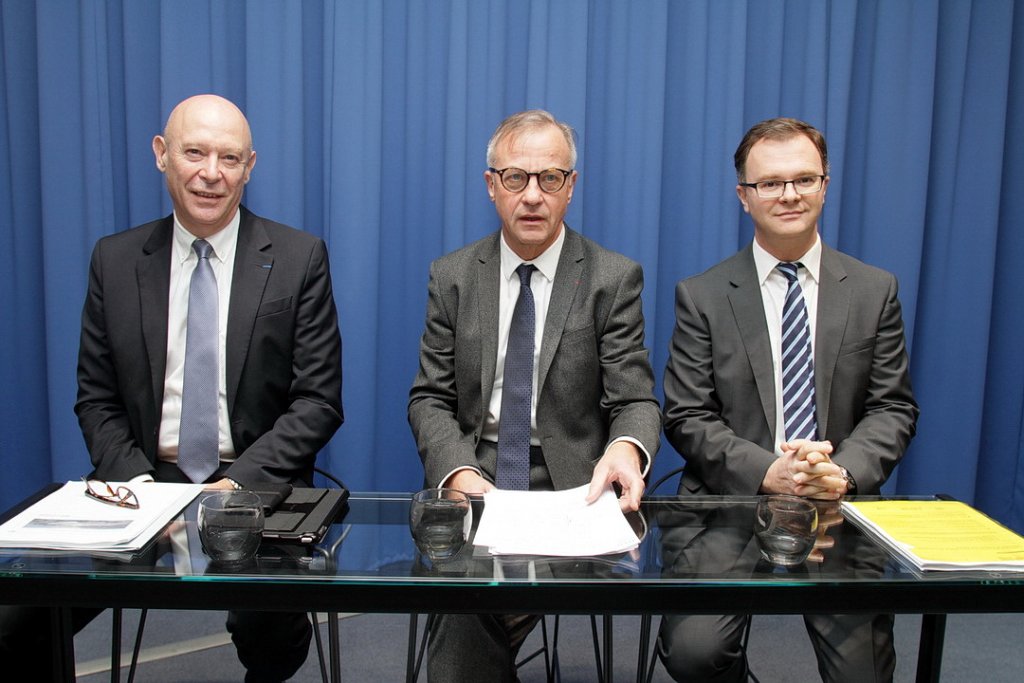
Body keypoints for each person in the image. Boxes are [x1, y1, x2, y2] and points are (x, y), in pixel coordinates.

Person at [0, 94, 343, 682]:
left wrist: (236, 487)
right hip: (139, 485)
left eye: (229, 158)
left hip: (252, 483)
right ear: (162, 155)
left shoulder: (297, 257)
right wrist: (137, 487)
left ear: (250, 166)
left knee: (272, 633)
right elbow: (97, 397)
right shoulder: (115, 259)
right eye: (195, 152)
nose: (212, 173)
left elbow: (316, 401)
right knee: (18, 622)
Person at [658, 117, 919, 682]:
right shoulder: (702, 296)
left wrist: (840, 474)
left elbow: (892, 408)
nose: (789, 194)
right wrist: (769, 471)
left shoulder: (875, 291)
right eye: (771, 183)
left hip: (837, 510)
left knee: (864, 674)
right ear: (744, 197)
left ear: (825, 185)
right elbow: (685, 415)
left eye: (804, 179)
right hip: (730, 507)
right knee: (694, 653)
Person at [408, 109, 662, 682]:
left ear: (570, 187)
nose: (532, 196)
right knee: (469, 601)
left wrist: (624, 449)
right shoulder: (453, 276)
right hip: (481, 478)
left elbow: (636, 400)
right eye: (516, 178)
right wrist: (459, 475)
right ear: (491, 184)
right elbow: (429, 398)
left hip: (575, 488)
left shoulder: (610, 277)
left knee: (471, 612)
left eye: (550, 178)